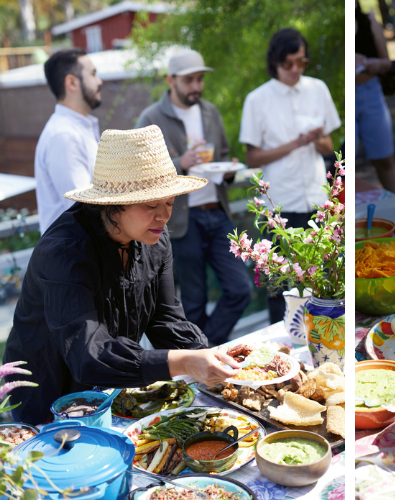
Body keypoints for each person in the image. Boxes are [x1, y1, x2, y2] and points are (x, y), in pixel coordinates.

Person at [3, 126, 242, 425]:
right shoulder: (64, 252)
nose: (164, 216)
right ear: (112, 205)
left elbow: (165, 320)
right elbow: (88, 354)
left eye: (170, 202)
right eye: (151, 204)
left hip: (111, 390)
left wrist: (211, 359)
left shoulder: (155, 236)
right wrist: (183, 363)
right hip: (48, 395)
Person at [136, 49, 252, 347]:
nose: (196, 86)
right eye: (189, 80)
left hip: (218, 212)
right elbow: (141, 175)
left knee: (241, 288)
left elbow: (223, 156)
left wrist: (229, 170)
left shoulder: (210, 111)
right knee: (194, 300)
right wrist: (181, 164)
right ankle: (199, 363)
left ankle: (203, 350)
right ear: (170, 80)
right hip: (180, 219)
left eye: (200, 79)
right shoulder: (151, 118)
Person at [240, 28, 341, 324]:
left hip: (316, 199)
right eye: (288, 64)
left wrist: (314, 139)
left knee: (323, 284)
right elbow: (252, 157)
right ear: (275, 63)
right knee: (280, 288)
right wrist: (295, 143)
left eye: (301, 62)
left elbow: (328, 146)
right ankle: (279, 351)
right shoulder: (256, 99)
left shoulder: (318, 89)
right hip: (279, 206)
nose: (295, 69)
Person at [35, 48, 102, 234]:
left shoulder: (76, 130)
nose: (100, 81)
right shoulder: (64, 136)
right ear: (72, 82)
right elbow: (84, 209)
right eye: (93, 74)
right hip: (75, 258)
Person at [355, 0, 395, 195]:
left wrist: (375, 64)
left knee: (384, 159)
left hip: (369, 92)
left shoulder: (369, 22)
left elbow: (387, 62)